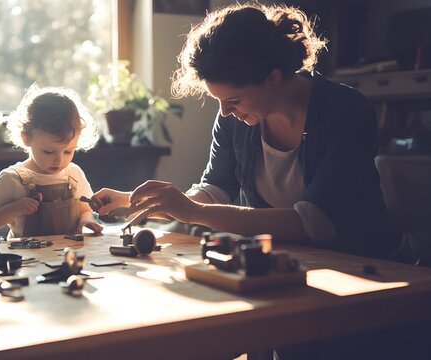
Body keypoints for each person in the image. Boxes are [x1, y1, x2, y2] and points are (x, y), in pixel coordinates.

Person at [92, 3, 399, 260]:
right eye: (220, 102)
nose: (225, 112)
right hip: (292, 266)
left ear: (273, 78)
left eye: (233, 100)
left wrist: (192, 211)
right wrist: (134, 200)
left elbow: (314, 222)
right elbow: (215, 190)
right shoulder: (235, 117)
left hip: (368, 269)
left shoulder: (347, 112)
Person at [0, 85, 103, 238]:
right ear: (26, 137)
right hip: (28, 259)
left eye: (68, 151)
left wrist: (86, 221)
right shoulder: (12, 178)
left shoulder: (74, 173)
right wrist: (14, 209)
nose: (59, 160)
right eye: (48, 151)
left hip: (68, 256)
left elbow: (85, 209)